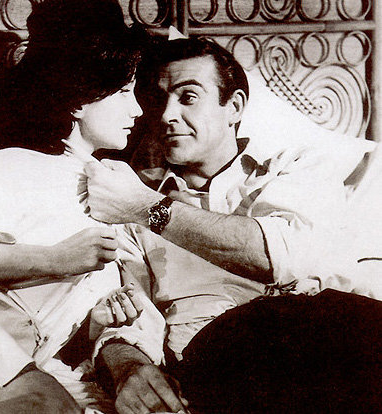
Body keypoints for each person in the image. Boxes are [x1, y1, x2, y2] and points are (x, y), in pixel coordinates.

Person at [85, 36, 382, 413]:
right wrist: (129, 367)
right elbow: (125, 312)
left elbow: (285, 257)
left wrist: (149, 208)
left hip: (330, 337)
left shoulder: (296, 165)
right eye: (157, 101)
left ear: (235, 107)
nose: (166, 115)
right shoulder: (129, 205)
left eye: (188, 97)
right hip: (223, 358)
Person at [0, 0, 150, 412]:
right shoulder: (18, 165)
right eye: (125, 92)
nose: (139, 109)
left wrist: (96, 323)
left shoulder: (116, 190)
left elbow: (51, 331)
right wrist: (56, 259)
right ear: (79, 100)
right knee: (45, 404)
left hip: (12, 364)